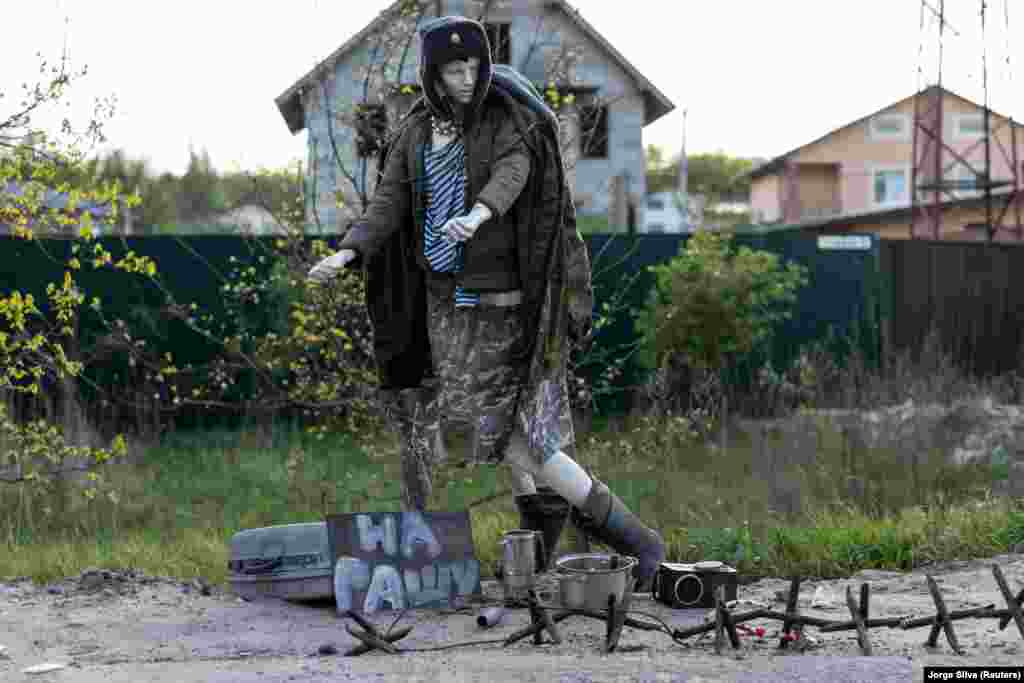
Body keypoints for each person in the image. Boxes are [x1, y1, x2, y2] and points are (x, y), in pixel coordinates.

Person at [307, 15, 666, 591]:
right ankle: (537, 554)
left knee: (524, 439)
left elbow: (513, 171)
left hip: (511, 311)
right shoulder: (416, 134)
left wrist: (479, 214)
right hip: (447, 312)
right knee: (496, 437)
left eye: (474, 62)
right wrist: (348, 253)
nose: (468, 75)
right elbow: (389, 202)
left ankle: (639, 540)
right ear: (433, 74)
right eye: (454, 67)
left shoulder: (505, 119)